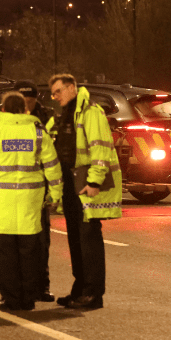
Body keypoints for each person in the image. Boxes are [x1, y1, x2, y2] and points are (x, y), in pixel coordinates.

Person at [0, 92, 62, 311]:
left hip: (1, 204)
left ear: (2, 109)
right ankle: (27, 298)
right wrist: (55, 196)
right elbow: (52, 168)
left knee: (4, 255)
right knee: (30, 254)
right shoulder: (38, 133)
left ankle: (11, 298)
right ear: (24, 110)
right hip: (30, 202)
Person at [48, 73, 122, 310]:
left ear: (71, 88)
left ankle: (93, 293)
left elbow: (99, 149)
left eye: (58, 91)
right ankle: (79, 289)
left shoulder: (91, 112)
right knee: (76, 239)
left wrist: (94, 182)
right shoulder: (67, 114)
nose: (54, 96)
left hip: (85, 183)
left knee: (89, 239)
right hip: (71, 184)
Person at [13, 79, 55, 302]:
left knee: (40, 241)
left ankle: (41, 286)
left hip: (38, 189)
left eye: (30, 101)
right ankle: (17, 286)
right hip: (10, 191)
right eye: (23, 101)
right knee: (14, 242)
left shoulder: (46, 118)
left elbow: (52, 156)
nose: (26, 106)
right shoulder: (4, 117)